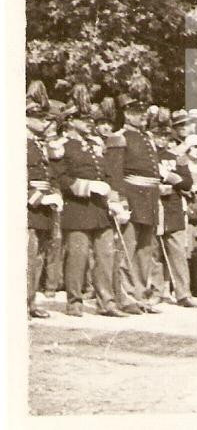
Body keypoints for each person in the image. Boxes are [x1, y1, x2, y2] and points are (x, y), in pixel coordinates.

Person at [56, 87, 126, 317]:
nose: (89, 122)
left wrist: (113, 200)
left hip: (99, 210)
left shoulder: (95, 146)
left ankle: (107, 302)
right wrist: (87, 187)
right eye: (84, 118)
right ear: (70, 121)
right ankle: (74, 301)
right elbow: (61, 178)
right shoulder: (61, 146)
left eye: (89, 118)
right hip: (77, 209)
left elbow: (106, 175)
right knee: (78, 256)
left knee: (106, 255)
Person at [104, 91, 165, 315]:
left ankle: (141, 295)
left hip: (149, 198)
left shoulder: (147, 138)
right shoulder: (119, 137)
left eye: (143, 112)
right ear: (127, 114)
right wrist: (118, 201)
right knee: (127, 249)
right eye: (136, 112)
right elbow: (114, 172)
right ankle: (125, 296)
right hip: (131, 197)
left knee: (145, 251)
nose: (142, 117)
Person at [151, 116, 197, 307]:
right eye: (158, 136)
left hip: (173, 208)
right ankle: (156, 291)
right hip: (154, 207)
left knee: (178, 252)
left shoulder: (176, 156)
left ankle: (183, 293)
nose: (161, 140)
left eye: (165, 136)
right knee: (154, 252)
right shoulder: (147, 156)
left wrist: (171, 179)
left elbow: (188, 182)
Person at [26, 81, 63, 319]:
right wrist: (38, 197)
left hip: (42, 208)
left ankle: (29, 302)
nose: (44, 123)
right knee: (26, 256)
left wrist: (55, 194)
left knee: (38, 256)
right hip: (27, 208)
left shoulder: (39, 144)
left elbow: (51, 174)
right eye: (39, 118)